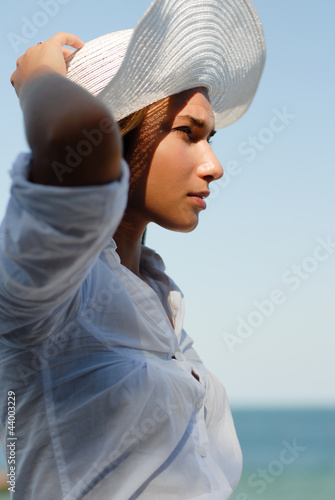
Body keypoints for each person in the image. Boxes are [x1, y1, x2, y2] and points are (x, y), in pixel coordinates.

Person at [1, 0, 265, 498]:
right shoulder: (52, 286)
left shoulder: (163, 302)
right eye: (188, 133)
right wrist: (38, 81)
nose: (214, 165)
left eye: (212, 138)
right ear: (119, 134)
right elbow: (83, 150)